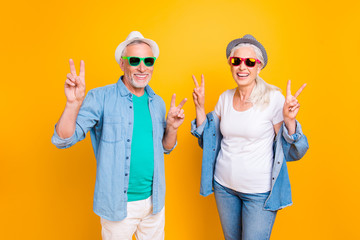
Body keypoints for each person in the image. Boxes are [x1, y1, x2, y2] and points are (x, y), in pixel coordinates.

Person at [51, 31, 187, 240]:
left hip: (154, 202)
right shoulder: (100, 97)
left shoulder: (157, 102)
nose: (142, 67)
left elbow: (166, 148)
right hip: (117, 204)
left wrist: (173, 128)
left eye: (148, 61)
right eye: (135, 60)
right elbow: (64, 139)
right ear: (123, 64)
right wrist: (73, 104)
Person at [191, 34, 309, 240]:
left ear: (259, 66)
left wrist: (290, 120)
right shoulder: (225, 98)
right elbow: (207, 139)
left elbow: (292, 150)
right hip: (224, 187)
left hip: (259, 193)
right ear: (230, 65)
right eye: (236, 61)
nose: (242, 67)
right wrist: (200, 107)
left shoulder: (273, 99)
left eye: (249, 62)